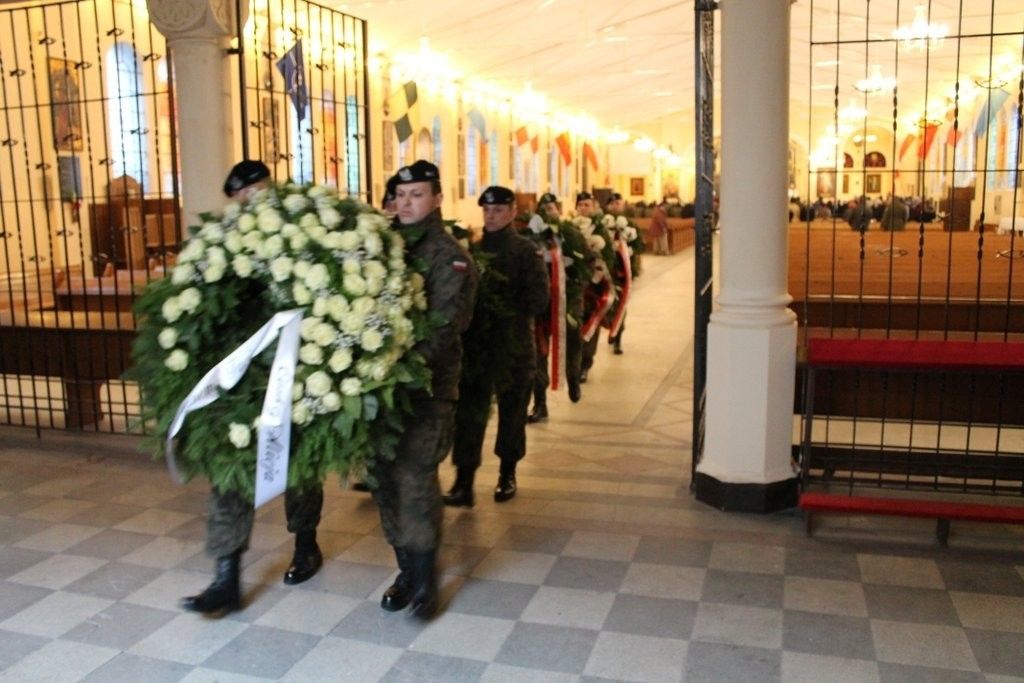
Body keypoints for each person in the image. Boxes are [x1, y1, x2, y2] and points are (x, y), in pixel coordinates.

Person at [181, 160, 325, 616]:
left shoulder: (301, 233)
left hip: (290, 369)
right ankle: (226, 577)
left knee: (298, 466)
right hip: (239, 376)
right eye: (240, 197)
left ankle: (305, 543)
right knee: (230, 473)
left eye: (255, 192)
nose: (249, 202)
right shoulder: (221, 243)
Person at [371, 159, 478, 620]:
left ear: (436, 199)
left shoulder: (450, 256)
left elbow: (445, 328)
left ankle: (425, 576)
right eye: (401, 194)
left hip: (427, 388)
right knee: (382, 479)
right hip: (376, 388)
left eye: (417, 194)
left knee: (415, 480)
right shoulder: (380, 247)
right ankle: (407, 568)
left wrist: (395, 365)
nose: (406, 202)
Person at [444, 185, 549, 506]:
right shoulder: (472, 250)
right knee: (469, 414)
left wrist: (503, 305)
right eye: (487, 210)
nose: (491, 216)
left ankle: (507, 473)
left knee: (512, 412)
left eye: (499, 210)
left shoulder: (525, 251)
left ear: (512, 212)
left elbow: (539, 299)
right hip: (477, 346)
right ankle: (464, 482)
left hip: (513, 345)